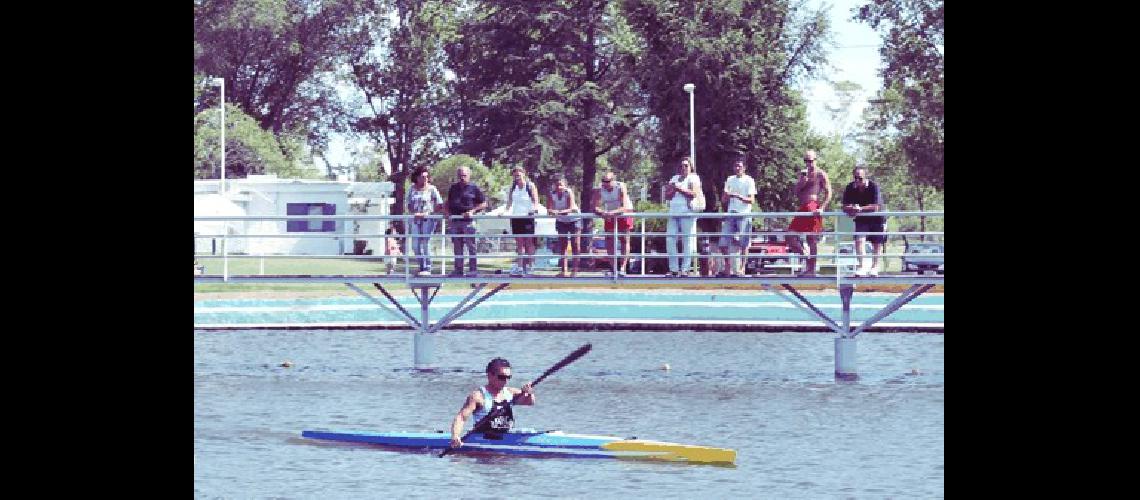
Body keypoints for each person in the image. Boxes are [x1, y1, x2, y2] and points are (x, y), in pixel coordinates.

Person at [450, 357, 536, 448]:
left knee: (531, 431)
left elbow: (529, 402)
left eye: (508, 377)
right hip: (484, 438)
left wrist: (529, 392)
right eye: (502, 377)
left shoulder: (511, 392)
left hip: (506, 436)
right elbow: (461, 417)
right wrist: (455, 436)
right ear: (490, 375)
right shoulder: (478, 396)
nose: (505, 381)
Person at [787, 150, 832, 276]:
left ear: (815, 160)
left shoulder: (821, 174)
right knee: (790, 236)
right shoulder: (802, 174)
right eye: (806, 161)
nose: (808, 163)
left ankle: (811, 269)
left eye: (810, 161)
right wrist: (802, 181)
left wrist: (822, 207)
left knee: (811, 239)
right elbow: (796, 192)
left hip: (813, 206)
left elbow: (829, 192)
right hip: (803, 207)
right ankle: (806, 257)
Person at [842, 165, 886, 276]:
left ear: (866, 177)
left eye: (860, 178)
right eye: (855, 178)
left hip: (877, 219)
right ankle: (862, 266)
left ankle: (875, 267)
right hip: (861, 218)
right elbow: (844, 206)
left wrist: (860, 208)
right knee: (859, 240)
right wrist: (850, 208)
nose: (857, 181)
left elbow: (876, 207)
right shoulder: (850, 187)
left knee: (877, 243)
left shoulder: (874, 186)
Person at [444, 166, 487, 277]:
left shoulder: (474, 188)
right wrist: (447, 213)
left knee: (471, 246)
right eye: (460, 175)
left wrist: (472, 211)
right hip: (455, 221)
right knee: (457, 246)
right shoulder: (453, 188)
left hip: (468, 221)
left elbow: (483, 203)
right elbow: (447, 202)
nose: (462, 178)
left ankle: (473, 270)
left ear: (469, 175)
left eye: (464, 175)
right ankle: (458, 270)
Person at [719, 157, 757, 277]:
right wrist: (725, 196)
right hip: (731, 213)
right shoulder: (730, 179)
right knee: (723, 243)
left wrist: (737, 196)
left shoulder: (749, 180)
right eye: (736, 166)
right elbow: (724, 199)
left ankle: (742, 268)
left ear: (744, 168)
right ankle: (728, 267)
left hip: (744, 214)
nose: (737, 168)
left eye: (740, 166)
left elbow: (751, 200)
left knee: (743, 243)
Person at [664, 157, 702, 277]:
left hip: (687, 213)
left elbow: (693, 194)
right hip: (674, 212)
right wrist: (674, 189)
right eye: (681, 166)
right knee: (670, 239)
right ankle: (673, 269)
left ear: (691, 167)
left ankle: (685, 269)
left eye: (686, 165)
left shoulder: (694, 178)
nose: (683, 168)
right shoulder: (674, 178)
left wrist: (678, 188)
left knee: (688, 241)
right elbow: (667, 196)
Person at [593, 171, 634, 277]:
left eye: (607, 181)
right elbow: (595, 206)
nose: (605, 183)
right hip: (609, 214)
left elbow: (624, 206)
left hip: (624, 213)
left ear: (613, 180)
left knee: (624, 239)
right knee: (609, 241)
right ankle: (614, 268)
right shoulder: (599, 189)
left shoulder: (620, 187)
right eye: (603, 181)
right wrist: (603, 213)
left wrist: (610, 213)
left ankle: (623, 268)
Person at [405, 166, 444, 276]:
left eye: (426, 177)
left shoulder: (432, 189)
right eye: (422, 177)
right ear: (417, 178)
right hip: (415, 219)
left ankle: (427, 267)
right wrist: (414, 213)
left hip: (428, 219)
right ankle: (421, 265)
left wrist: (429, 213)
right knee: (416, 245)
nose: (425, 179)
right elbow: (408, 204)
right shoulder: (411, 189)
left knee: (426, 243)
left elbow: (440, 204)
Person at [504, 166, 540, 276]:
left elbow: (535, 201)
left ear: (523, 174)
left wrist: (533, 210)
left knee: (529, 242)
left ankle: (530, 266)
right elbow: (509, 202)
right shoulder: (513, 187)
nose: (517, 177)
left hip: (528, 218)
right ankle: (519, 267)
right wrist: (504, 212)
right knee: (519, 243)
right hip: (516, 217)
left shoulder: (530, 186)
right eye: (515, 175)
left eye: (519, 175)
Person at [548, 175, 581, 277]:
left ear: (565, 185)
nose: (558, 187)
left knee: (575, 244)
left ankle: (575, 270)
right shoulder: (551, 194)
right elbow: (549, 208)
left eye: (560, 185)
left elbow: (570, 208)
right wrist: (553, 212)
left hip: (574, 220)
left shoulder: (568, 192)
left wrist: (557, 212)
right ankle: (564, 270)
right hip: (561, 221)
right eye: (556, 185)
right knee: (563, 245)